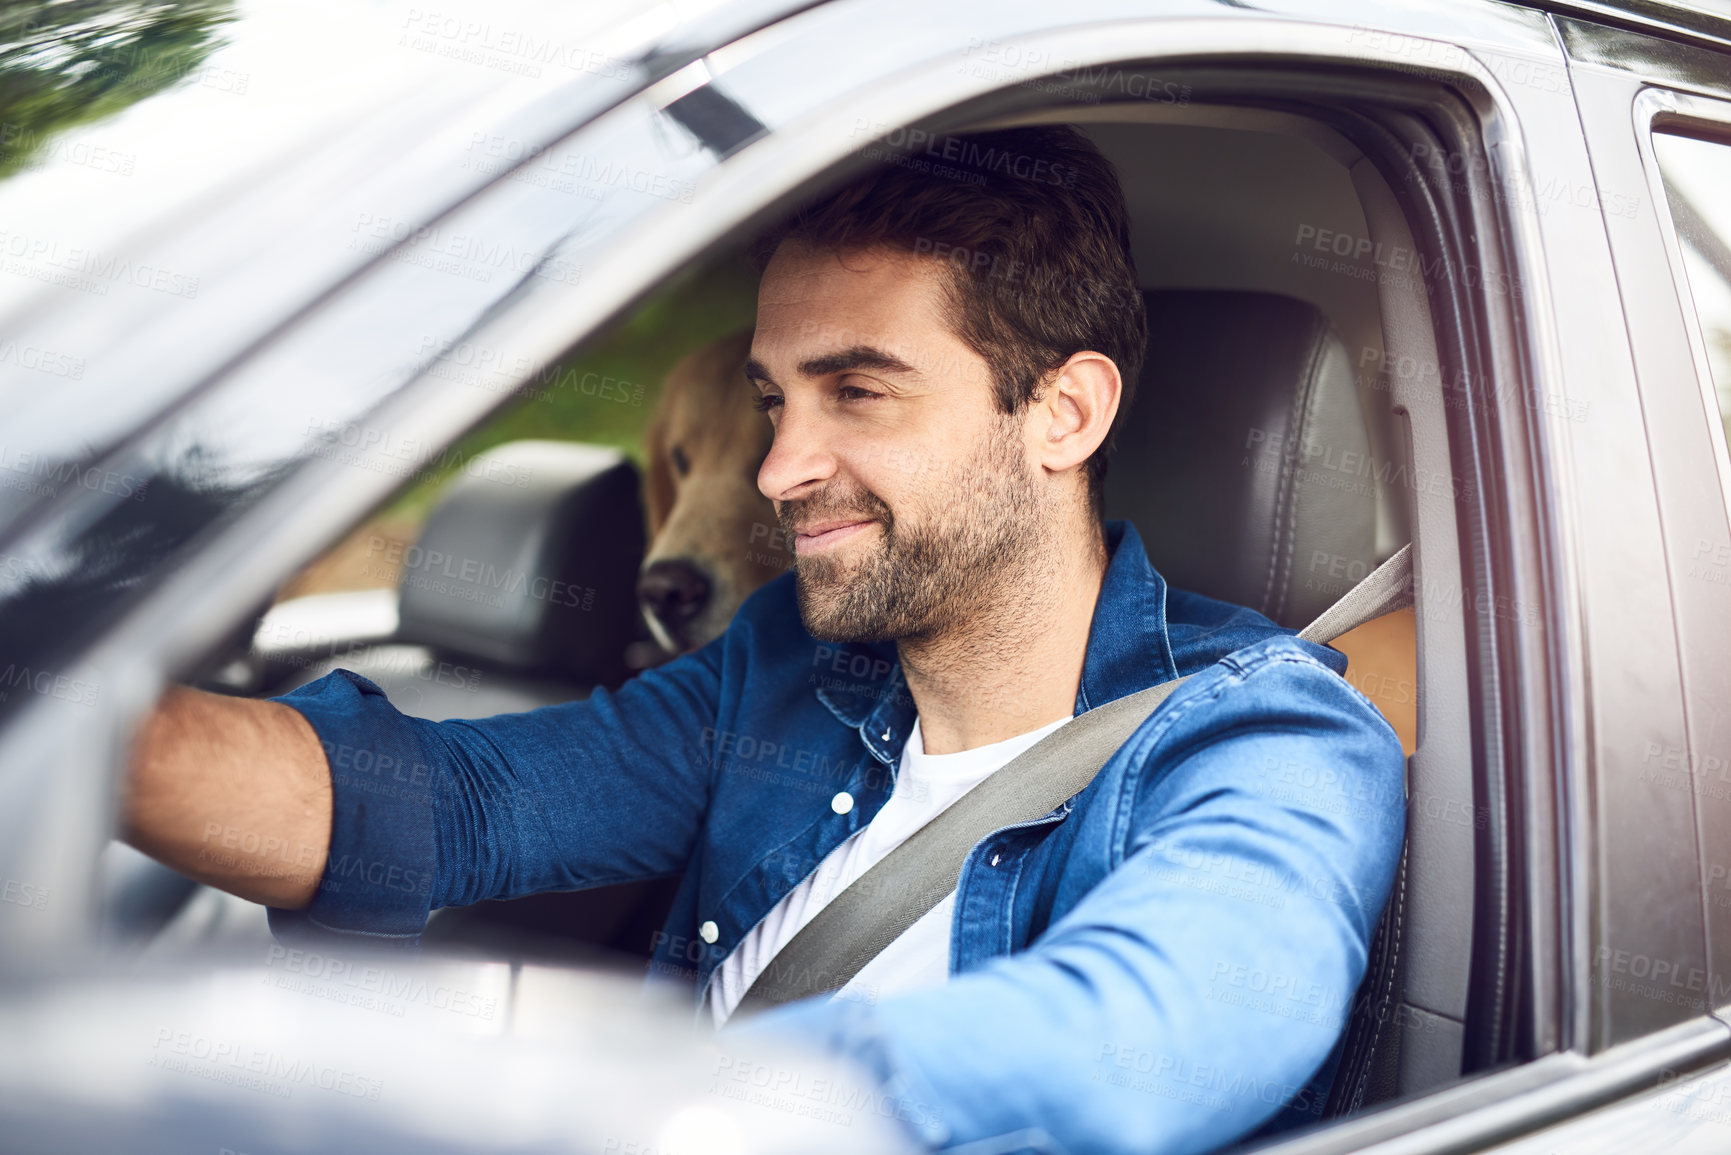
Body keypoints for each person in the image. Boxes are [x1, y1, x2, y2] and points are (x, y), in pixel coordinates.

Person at [125, 125, 1405, 1155]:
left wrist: (652, 1104)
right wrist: (98, 740)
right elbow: (446, 804)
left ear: (1062, 414)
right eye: (771, 400)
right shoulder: (786, 670)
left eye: (857, 390)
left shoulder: (1264, 733)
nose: (782, 468)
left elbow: (1161, 1034)